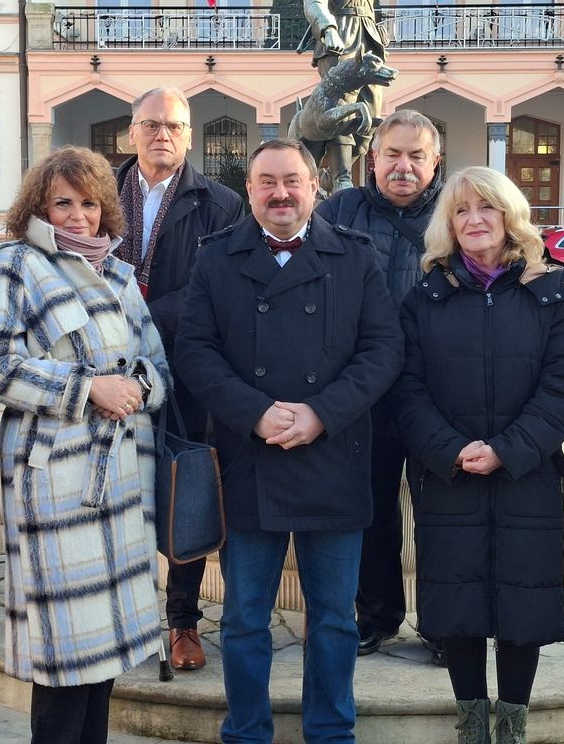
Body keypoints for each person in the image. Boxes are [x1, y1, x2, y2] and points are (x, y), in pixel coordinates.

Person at [175, 138, 404, 743]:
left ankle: (330, 732)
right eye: (267, 182)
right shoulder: (217, 258)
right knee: (246, 617)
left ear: (314, 188)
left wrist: (320, 413)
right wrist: (253, 413)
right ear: (249, 189)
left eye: (293, 181)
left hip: (333, 457)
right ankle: (246, 731)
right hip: (251, 458)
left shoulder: (355, 257)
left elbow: (383, 350)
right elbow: (195, 350)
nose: (281, 193)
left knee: (333, 619)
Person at [0, 146, 171, 744]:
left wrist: (137, 386)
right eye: (63, 203)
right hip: (56, 484)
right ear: (38, 205)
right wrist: (89, 388)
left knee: (105, 655)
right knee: (63, 658)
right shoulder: (12, 263)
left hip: (121, 483)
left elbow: (157, 363)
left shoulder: (117, 272)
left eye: (89, 203)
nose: (79, 216)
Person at [394, 166, 564, 744]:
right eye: (462, 210)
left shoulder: (547, 293)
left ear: (509, 217)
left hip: (524, 475)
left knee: (523, 606)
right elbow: (407, 387)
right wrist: (451, 450)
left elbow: (562, 384)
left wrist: (508, 450)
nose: (475, 220)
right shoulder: (425, 296)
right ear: (448, 224)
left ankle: (513, 725)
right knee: (459, 607)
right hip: (449, 477)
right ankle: (472, 722)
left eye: (488, 208)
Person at [116, 86, 244, 671]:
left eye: (173, 126)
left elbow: (216, 288)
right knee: (117, 493)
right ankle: (120, 616)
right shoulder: (101, 193)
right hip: (108, 369)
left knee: (184, 490)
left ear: (189, 136)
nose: (161, 135)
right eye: (151, 125)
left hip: (187, 369)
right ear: (132, 132)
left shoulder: (219, 203)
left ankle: (183, 622)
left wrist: (140, 313)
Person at [315, 109, 444, 661]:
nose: (404, 166)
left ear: (435, 162)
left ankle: (444, 624)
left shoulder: (458, 212)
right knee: (371, 510)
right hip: (363, 394)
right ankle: (378, 614)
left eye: (416, 155)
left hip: (439, 393)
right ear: (373, 158)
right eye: (393, 154)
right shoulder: (340, 212)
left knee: (441, 511)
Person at [302, 0, 410, 191]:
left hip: (369, 42)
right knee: (343, 107)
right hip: (340, 41)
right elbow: (314, 1)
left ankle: (338, 171)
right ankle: (342, 179)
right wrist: (328, 29)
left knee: (368, 117)